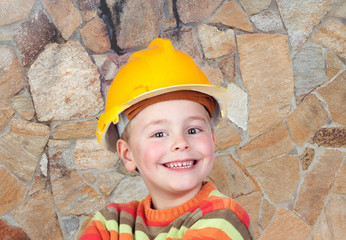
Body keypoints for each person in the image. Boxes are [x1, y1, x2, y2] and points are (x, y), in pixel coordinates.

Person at [80, 38, 252, 240]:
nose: (181, 143)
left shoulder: (223, 220)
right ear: (128, 154)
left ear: (212, 139)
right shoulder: (110, 224)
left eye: (194, 130)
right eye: (159, 134)